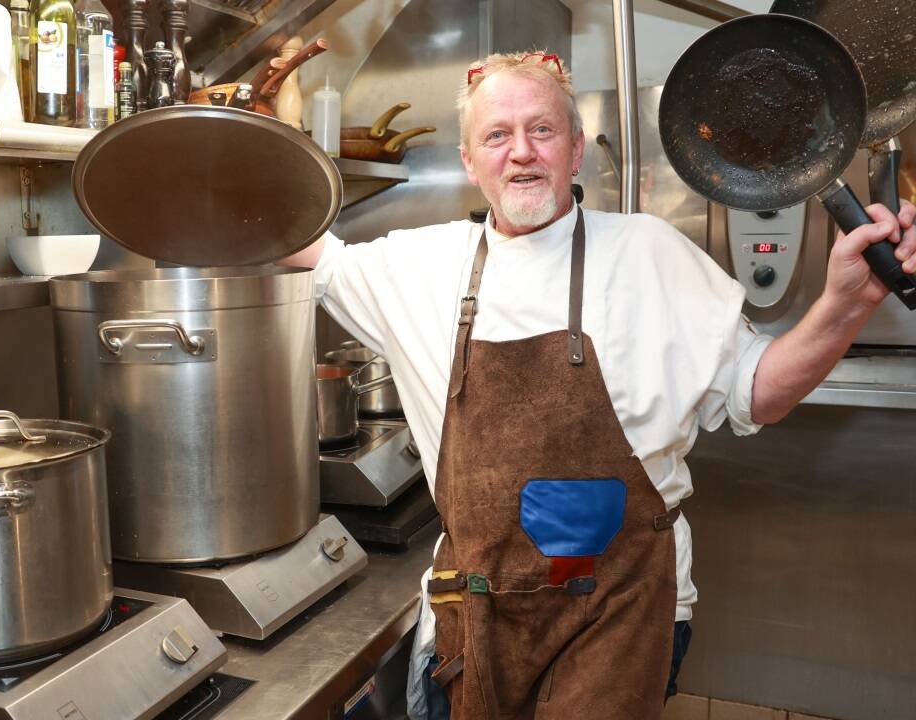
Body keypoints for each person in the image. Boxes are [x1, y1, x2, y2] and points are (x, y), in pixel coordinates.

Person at [281, 51, 916, 719]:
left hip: (622, 613)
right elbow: (298, 241)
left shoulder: (651, 253)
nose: (521, 153)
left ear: (576, 149)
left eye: (543, 130)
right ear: (470, 161)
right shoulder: (415, 266)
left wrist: (846, 303)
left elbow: (759, 391)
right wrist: (208, 159)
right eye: (497, 136)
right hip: (478, 615)